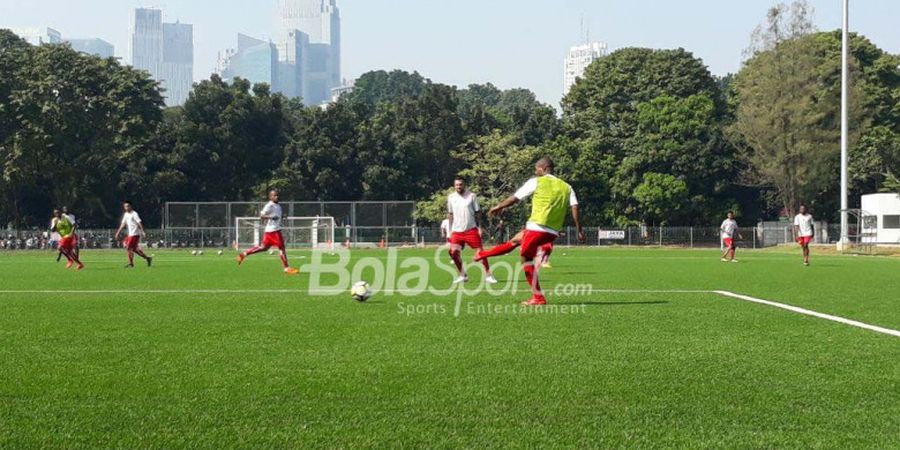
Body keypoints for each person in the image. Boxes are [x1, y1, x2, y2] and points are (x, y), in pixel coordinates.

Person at [487, 157, 585, 306]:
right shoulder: (567, 187)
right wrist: (579, 230)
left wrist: (499, 206)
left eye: (536, 169)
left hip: (537, 226)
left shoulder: (536, 181)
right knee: (517, 240)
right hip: (552, 232)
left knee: (525, 257)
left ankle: (538, 298)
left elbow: (516, 198)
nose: (535, 171)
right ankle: (482, 255)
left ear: (543, 168)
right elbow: (575, 207)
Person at [447, 177, 497, 284]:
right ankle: (462, 275)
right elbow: (450, 214)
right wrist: (450, 230)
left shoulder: (472, 196)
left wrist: (479, 227)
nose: (459, 187)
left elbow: (478, 212)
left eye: (460, 184)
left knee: (481, 253)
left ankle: (488, 276)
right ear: (454, 186)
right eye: (457, 185)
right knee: (453, 252)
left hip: (471, 230)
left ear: (464, 185)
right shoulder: (451, 197)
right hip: (456, 230)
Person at [237, 189, 299, 274]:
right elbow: (261, 215)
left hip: (269, 231)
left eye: (277, 195)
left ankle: (243, 254)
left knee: (263, 248)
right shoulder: (270, 205)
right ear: (270, 197)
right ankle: (287, 268)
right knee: (281, 248)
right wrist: (271, 217)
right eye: (275, 195)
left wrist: (282, 216)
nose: (277, 197)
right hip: (274, 231)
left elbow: (276, 216)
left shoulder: (278, 206)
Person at [475, 229, 554, 268]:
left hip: (539, 226)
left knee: (514, 243)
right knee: (515, 243)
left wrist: (500, 207)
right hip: (539, 227)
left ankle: (482, 254)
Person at [114, 201, 152, 268]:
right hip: (130, 234)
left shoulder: (134, 214)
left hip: (135, 234)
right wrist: (118, 232)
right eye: (125, 206)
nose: (126, 207)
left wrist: (143, 231)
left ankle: (131, 263)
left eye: (128, 206)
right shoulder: (126, 214)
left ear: (131, 206)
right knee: (133, 249)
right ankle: (147, 258)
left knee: (128, 247)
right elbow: (123, 224)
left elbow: (139, 222)